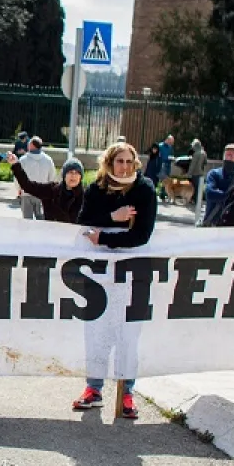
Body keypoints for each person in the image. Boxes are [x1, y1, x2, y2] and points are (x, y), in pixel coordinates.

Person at [73, 141, 158, 416]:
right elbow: (84, 220)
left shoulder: (144, 190)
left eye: (128, 161)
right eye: (119, 161)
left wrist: (105, 236)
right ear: (109, 163)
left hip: (133, 273)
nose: (124, 167)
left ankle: (127, 393)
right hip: (99, 273)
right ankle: (94, 388)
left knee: (128, 335)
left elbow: (141, 235)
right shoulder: (96, 189)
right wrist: (114, 216)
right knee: (97, 332)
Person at [6, 152, 85, 223]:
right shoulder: (52, 190)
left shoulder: (86, 196)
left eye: (77, 173)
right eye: (70, 172)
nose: (73, 176)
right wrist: (15, 164)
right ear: (64, 175)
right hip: (51, 235)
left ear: (81, 177)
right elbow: (28, 186)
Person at [16, 136, 57, 220]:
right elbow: (52, 177)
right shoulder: (48, 160)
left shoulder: (23, 160)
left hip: (26, 194)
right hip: (42, 194)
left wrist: (18, 189)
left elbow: (17, 177)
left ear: (31, 146)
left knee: (27, 220)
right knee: (41, 220)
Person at [201, 143, 234, 225]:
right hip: (213, 223)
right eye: (226, 155)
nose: (229, 158)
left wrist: (222, 195)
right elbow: (210, 193)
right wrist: (232, 197)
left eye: (232, 155)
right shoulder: (214, 174)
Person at [187, 138, 208, 203]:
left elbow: (192, 165)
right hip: (201, 173)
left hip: (195, 173)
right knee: (199, 187)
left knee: (194, 188)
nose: (192, 147)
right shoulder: (204, 153)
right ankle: (198, 200)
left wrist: (189, 174)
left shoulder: (196, 154)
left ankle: (195, 200)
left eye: (193, 146)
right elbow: (205, 162)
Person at [155, 134, 175, 201]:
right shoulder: (160, 146)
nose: (171, 143)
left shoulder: (170, 147)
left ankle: (163, 195)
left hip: (168, 165)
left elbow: (171, 154)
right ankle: (155, 193)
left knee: (167, 181)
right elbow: (158, 156)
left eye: (172, 142)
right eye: (170, 142)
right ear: (167, 139)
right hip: (162, 165)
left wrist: (172, 158)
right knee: (159, 180)